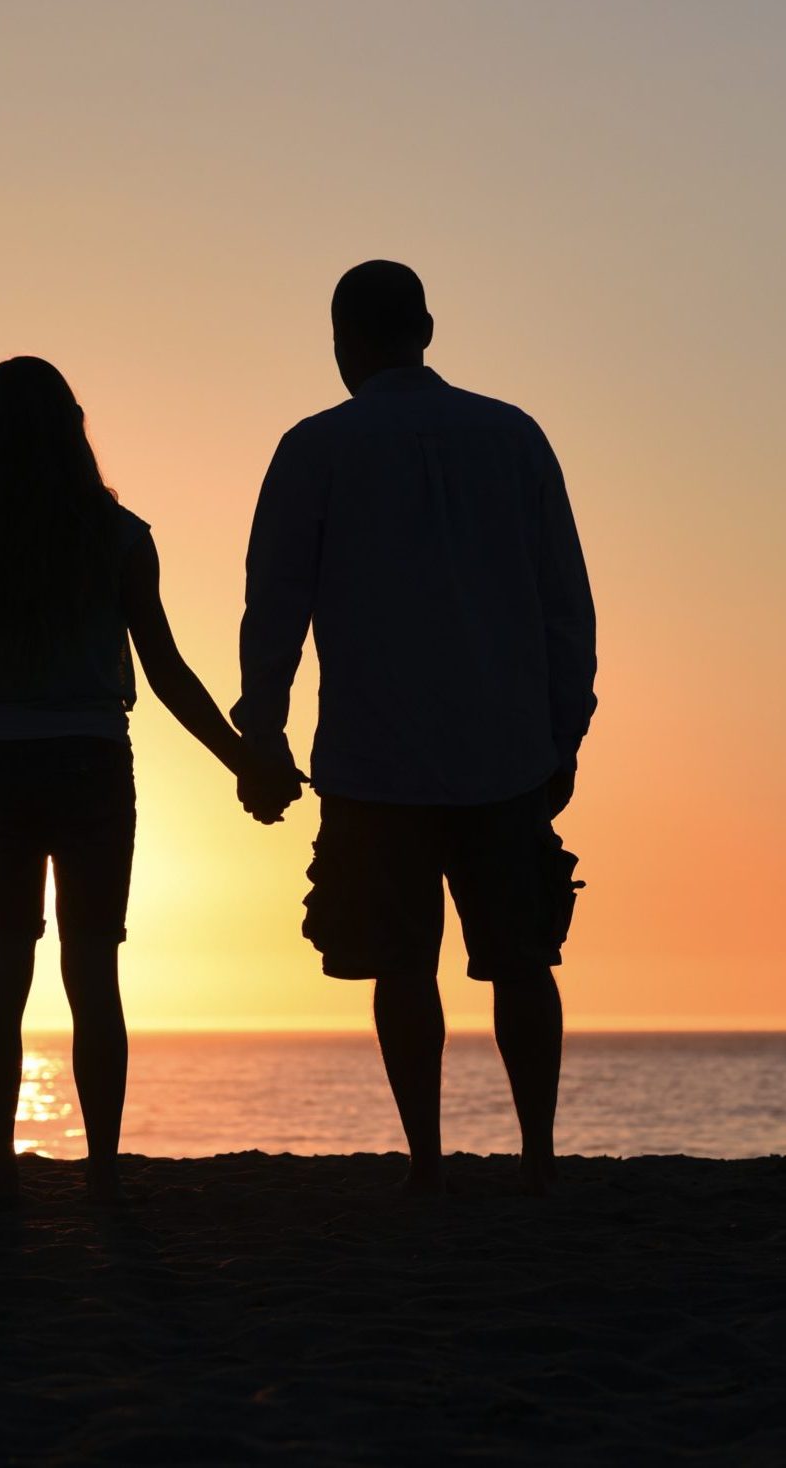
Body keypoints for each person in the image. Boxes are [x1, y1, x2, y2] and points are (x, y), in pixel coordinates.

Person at [233, 260, 596, 1195]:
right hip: (505, 745)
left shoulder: (316, 447)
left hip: (374, 752)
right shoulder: (513, 437)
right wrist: (567, 729)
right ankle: (539, 1154)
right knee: (522, 960)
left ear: (342, 343)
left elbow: (274, 605)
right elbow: (566, 602)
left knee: (402, 965)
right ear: (427, 327)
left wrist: (262, 729)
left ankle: (428, 1161)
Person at [0, 357, 294, 1209]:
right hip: (93, 761)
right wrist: (242, 758)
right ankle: (99, 1167)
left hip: (1, 766)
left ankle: (2, 1167)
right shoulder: (118, 534)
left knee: (3, 970)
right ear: (73, 425)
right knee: (93, 974)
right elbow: (163, 669)